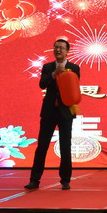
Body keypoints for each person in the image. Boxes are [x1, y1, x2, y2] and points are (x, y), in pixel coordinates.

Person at [25, 39, 80, 191]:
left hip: (65, 111)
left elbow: (74, 87)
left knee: (65, 146)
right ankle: (34, 180)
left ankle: (65, 180)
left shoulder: (74, 67)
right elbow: (42, 84)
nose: (58, 50)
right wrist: (54, 74)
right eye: (56, 47)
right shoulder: (48, 67)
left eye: (61, 48)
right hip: (49, 110)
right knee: (42, 145)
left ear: (67, 51)